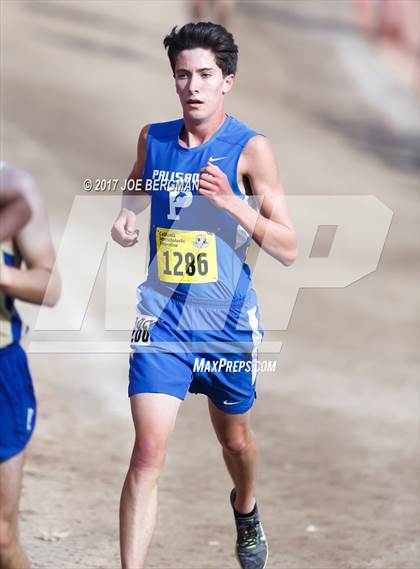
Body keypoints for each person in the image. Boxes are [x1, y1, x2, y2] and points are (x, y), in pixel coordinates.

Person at [111, 21, 298, 569]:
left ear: (227, 81)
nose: (193, 86)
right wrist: (127, 214)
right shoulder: (155, 137)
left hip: (226, 325)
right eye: (182, 75)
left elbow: (289, 248)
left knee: (234, 439)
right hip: (160, 320)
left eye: (205, 75)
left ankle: (246, 507)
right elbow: (137, 180)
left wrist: (236, 205)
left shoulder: (251, 149)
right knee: (147, 452)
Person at [0, 163, 61, 569]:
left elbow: (49, 285)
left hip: (1, 368)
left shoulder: (13, 185)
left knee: (2, 539)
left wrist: (2, 273)